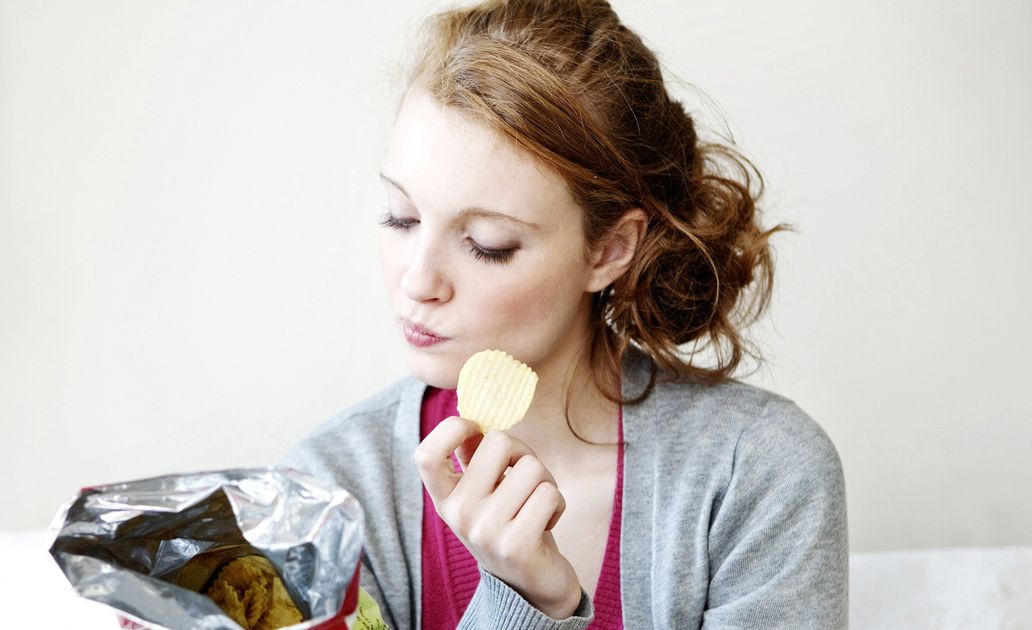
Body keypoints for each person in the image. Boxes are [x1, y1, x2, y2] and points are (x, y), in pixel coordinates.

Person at [279, 1, 848, 628]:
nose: (417, 281)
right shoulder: (323, 496)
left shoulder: (758, 474)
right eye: (401, 217)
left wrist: (536, 605)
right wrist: (523, 602)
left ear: (609, 251)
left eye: (488, 244)